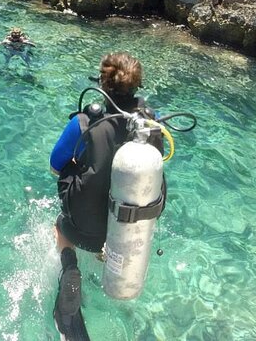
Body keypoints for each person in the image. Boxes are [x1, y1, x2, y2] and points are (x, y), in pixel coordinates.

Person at [49, 52, 164, 339]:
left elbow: (54, 167)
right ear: (137, 84)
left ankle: (70, 265)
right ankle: (107, 255)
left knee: (59, 225)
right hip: (132, 225)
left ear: (102, 81)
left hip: (84, 230)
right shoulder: (151, 121)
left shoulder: (86, 120)